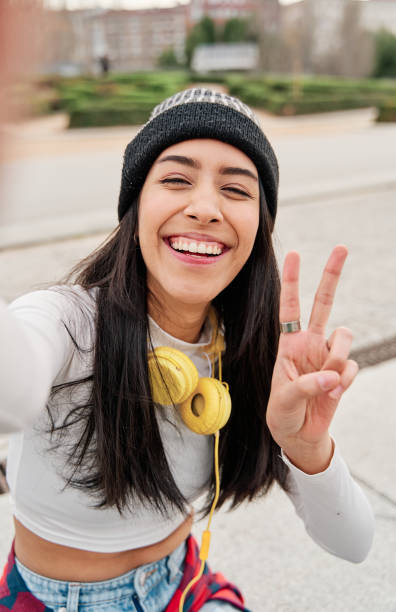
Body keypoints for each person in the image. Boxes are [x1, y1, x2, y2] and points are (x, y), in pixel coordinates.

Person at [0, 88, 374, 612]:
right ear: (135, 206)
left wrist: (307, 448)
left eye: (236, 190)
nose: (204, 209)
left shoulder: (255, 353)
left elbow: (354, 544)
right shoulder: (66, 321)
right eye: (176, 179)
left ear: (258, 227)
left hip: (184, 584)